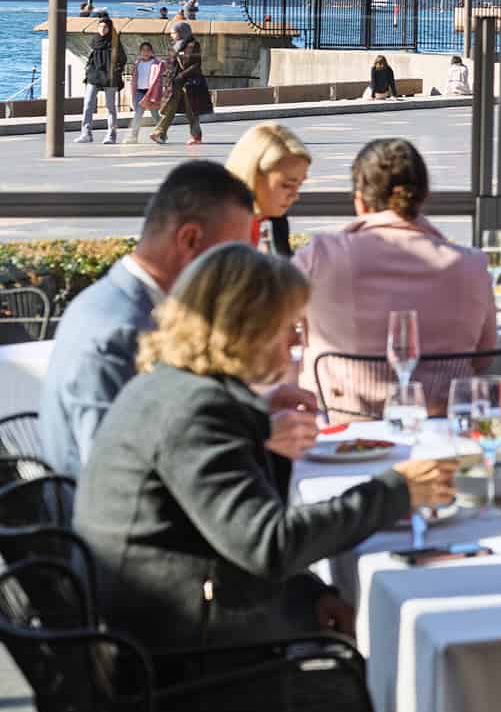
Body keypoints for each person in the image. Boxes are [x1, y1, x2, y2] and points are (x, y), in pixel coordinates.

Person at [75, 244, 456, 650]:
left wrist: (311, 595)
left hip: (161, 627)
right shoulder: (196, 410)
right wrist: (396, 490)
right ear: (246, 328)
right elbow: (270, 544)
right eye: (287, 327)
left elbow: (237, 533)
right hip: (186, 666)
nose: (294, 342)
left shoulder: (168, 386)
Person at [41, 162, 263, 478]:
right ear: (189, 239)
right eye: (231, 256)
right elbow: (112, 481)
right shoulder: (120, 331)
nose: (238, 272)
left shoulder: (115, 301)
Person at [295, 138, 497, 414]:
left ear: (360, 201)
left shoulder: (320, 256)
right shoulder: (473, 265)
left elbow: (273, 328)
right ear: (423, 197)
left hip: (338, 431)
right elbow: (484, 356)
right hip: (442, 429)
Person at [225, 122, 311, 258]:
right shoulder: (217, 227)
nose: (295, 196)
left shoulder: (274, 219)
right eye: (287, 185)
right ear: (253, 175)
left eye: (299, 185)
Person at [149, 20, 209, 146]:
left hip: (190, 84)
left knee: (191, 111)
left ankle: (196, 136)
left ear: (182, 32)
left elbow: (195, 65)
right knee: (169, 108)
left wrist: (181, 75)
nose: (172, 35)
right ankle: (160, 133)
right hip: (175, 83)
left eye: (174, 33)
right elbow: (170, 64)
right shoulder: (174, 46)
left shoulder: (193, 45)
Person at [80, 11, 126, 145]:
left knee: (110, 107)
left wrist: (116, 71)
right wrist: (89, 71)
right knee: (87, 104)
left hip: (109, 77)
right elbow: (91, 57)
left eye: (105, 27)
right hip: (94, 75)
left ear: (110, 28)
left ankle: (111, 135)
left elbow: (122, 59)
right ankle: (86, 133)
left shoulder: (115, 42)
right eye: (100, 27)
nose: (102, 29)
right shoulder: (95, 40)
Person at [128, 39, 163, 141]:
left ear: (151, 52)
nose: (145, 52)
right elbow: (134, 78)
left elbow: (164, 69)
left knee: (155, 115)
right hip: (140, 91)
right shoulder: (137, 63)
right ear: (140, 52)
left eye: (148, 50)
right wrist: (132, 93)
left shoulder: (156, 63)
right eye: (143, 50)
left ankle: (161, 134)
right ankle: (133, 136)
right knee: (138, 114)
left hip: (151, 92)